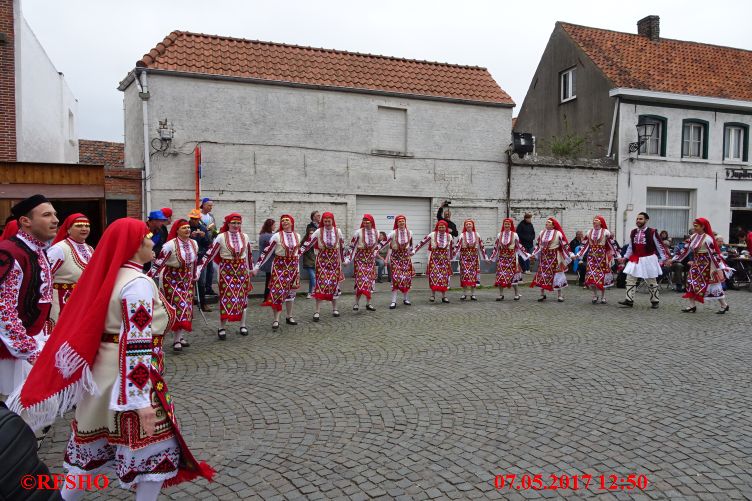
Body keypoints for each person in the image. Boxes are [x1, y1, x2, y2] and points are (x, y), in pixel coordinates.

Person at [10, 218, 214, 500]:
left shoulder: (110, 278)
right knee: (155, 454)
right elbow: (136, 343)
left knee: (85, 460)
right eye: (147, 238)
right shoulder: (137, 284)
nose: (152, 243)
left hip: (99, 377)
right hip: (130, 381)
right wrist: (141, 401)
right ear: (134, 245)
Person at [0, 195, 57, 399]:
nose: (55, 220)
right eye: (47, 215)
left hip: (31, 340)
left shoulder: (38, 250)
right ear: (25, 221)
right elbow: (3, 310)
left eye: (55, 214)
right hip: (9, 350)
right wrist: (29, 350)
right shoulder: (10, 252)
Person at [197, 213, 253, 339]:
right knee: (226, 298)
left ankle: (242, 325)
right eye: (233, 223)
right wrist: (199, 269)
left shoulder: (245, 236)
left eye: (238, 223)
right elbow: (210, 254)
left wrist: (252, 269)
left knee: (243, 298)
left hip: (242, 271)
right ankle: (222, 327)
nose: (236, 225)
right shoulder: (221, 237)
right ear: (228, 224)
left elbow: (248, 254)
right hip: (226, 271)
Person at [148, 219, 200, 352]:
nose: (188, 230)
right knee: (179, 307)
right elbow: (159, 263)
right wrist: (146, 278)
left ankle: (179, 336)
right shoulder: (169, 245)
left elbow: (194, 262)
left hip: (187, 279)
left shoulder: (194, 243)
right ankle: (176, 340)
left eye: (188, 228)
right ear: (177, 230)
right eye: (184, 228)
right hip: (171, 279)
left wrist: (194, 275)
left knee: (186, 307)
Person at [672, 218, 732, 313]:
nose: (694, 228)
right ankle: (692, 305)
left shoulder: (708, 239)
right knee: (690, 282)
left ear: (703, 227)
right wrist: (674, 259)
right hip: (696, 264)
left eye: (696, 226)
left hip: (707, 265)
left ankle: (724, 305)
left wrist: (721, 266)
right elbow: (685, 249)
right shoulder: (693, 237)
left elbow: (713, 253)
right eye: (694, 225)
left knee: (713, 285)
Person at [254, 215, 301, 330]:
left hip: (293, 267)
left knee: (291, 293)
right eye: (283, 221)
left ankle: (289, 316)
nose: (285, 222)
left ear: (292, 222)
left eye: (287, 220)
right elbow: (267, 252)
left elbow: (297, 253)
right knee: (277, 293)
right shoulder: (276, 236)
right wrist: (257, 266)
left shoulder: (297, 236)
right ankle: (276, 319)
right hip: (279, 266)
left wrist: (298, 269)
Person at [617, 212, 670, 309]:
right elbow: (630, 247)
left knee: (651, 280)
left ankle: (655, 301)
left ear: (646, 220)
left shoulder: (652, 232)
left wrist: (664, 259)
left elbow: (660, 246)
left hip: (648, 258)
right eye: (637, 219)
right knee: (630, 278)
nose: (638, 221)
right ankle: (629, 300)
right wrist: (625, 257)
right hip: (636, 258)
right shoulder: (633, 232)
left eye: (641, 219)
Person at [47, 213, 94, 322]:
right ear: (68, 230)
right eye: (78, 226)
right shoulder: (59, 249)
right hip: (62, 301)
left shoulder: (90, 249)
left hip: (84, 300)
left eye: (87, 226)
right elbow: (45, 276)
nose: (84, 229)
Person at [299, 212, 346, 321]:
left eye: (329, 221)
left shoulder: (338, 231)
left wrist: (344, 259)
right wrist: (297, 254)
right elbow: (308, 243)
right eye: (325, 221)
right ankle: (317, 311)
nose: (327, 223)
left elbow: (342, 246)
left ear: (332, 221)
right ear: (322, 222)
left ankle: (335, 308)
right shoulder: (318, 231)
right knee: (320, 285)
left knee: (334, 284)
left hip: (334, 261)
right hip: (322, 261)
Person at [575, 216, 620, 304]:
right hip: (591, 257)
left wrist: (618, 255)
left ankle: (603, 296)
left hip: (602, 257)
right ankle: (595, 295)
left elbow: (612, 244)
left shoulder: (605, 232)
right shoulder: (589, 232)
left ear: (601, 222)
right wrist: (578, 255)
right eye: (594, 221)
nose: (594, 222)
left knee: (602, 277)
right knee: (592, 277)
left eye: (596, 221)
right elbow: (584, 245)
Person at [529, 217, 573, 302]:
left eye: (549, 223)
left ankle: (560, 295)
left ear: (553, 225)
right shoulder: (542, 233)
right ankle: (542, 294)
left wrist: (571, 254)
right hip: (544, 257)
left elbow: (564, 245)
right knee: (542, 275)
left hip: (555, 257)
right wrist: (533, 254)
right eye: (546, 223)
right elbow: (538, 245)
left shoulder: (558, 233)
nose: (546, 224)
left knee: (558, 274)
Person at [414, 220, 455, 303]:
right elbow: (422, 242)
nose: (441, 228)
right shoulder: (432, 234)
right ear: (437, 227)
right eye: (440, 227)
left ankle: (444, 296)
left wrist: (451, 258)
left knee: (444, 278)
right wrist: (414, 251)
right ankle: (432, 295)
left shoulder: (449, 236)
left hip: (444, 260)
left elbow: (451, 248)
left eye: (443, 227)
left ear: (446, 227)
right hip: (434, 259)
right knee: (433, 277)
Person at [345, 214, 380, 312]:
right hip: (360, 259)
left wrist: (374, 254)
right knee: (360, 281)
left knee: (369, 282)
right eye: (364, 222)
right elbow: (352, 246)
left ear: (371, 222)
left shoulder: (376, 233)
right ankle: (356, 303)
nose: (366, 224)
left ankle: (368, 303)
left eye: (368, 222)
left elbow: (377, 246)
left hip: (370, 260)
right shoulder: (358, 233)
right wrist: (348, 259)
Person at [379, 215, 415, 309]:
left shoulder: (410, 233)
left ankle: (406, 298)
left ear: (405, 222)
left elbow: (411, 245)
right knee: (396, 279)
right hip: (395, 258)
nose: (402, 223)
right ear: (397, 223)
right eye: (399, 221)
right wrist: (374, 250)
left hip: (406, 258)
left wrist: (412, 251)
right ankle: (393, 301)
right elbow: (384, 243)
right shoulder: (393, 233)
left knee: (406, 279)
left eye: (403, 221)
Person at [489, 218, 529, 301]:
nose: (507, 226)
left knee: (513, 277)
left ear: (511, 226)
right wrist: (492, 258)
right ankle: (501, 294)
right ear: (503, 225)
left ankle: (516, 294)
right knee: (500, 276)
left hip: (512, 259)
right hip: (502, 258)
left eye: (508, 224)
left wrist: (527, 255)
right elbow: (496, 247)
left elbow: (519, 246)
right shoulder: (499, 235)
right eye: (505, 224)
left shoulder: (514, 235)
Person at [455, 219, 486, 301]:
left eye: (470, 224)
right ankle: (464, 294)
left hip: (474, 259)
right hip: (464, 259)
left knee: (473, 277)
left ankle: (473, 294)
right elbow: (457, 247)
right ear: (465, 226)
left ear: (473, 226)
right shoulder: (462, 235)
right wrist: (453, 256)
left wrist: (485, 258)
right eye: (467, 224)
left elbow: (481, 247)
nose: (468, 226)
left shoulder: (477, 235)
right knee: (464, 276)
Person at [188, 209, 212, 312]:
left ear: (199, 219)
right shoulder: (186, 227)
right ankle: (188, 303)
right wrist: (190, 236)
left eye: (196, 219)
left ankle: (203, 303)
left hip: (201, 258)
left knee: (201, 281)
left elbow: (209, 243)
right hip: (188, 258)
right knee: (188, 281)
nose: (194, 221)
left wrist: (204, 236)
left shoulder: (202, 228)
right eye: (192, 218)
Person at [199, 198, 218, 296]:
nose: (211, 207)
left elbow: (214, 229)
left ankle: (209, 288)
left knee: (210, 268)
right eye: (209, 205)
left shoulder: (211, 216)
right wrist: (207, 229)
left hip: (211, 244)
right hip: (202, 245)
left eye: (212, 205)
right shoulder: (198, 215)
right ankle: (200, 289)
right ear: (203, 205)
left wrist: (216, 234)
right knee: (203, 268)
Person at [257, 218, 276, 303]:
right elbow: (273, 249)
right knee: (270, 280)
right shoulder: (270, 236)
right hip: (270, 261)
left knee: (269, 279)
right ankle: (267, 297)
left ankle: (267, 297)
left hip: (265, 260)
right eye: (274, 225)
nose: (274, 226)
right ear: (270, 226)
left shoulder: (262, 234)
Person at [302, 227, 316, 298]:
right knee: (313, 276)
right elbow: (301, 251)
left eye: (313, 233)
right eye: (310, 233)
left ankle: (310, 292)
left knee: (312, 278)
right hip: (308, 262)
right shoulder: (305, 242)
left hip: (315, 262)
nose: (311, 235)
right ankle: (316, 291)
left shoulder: (316, 241)